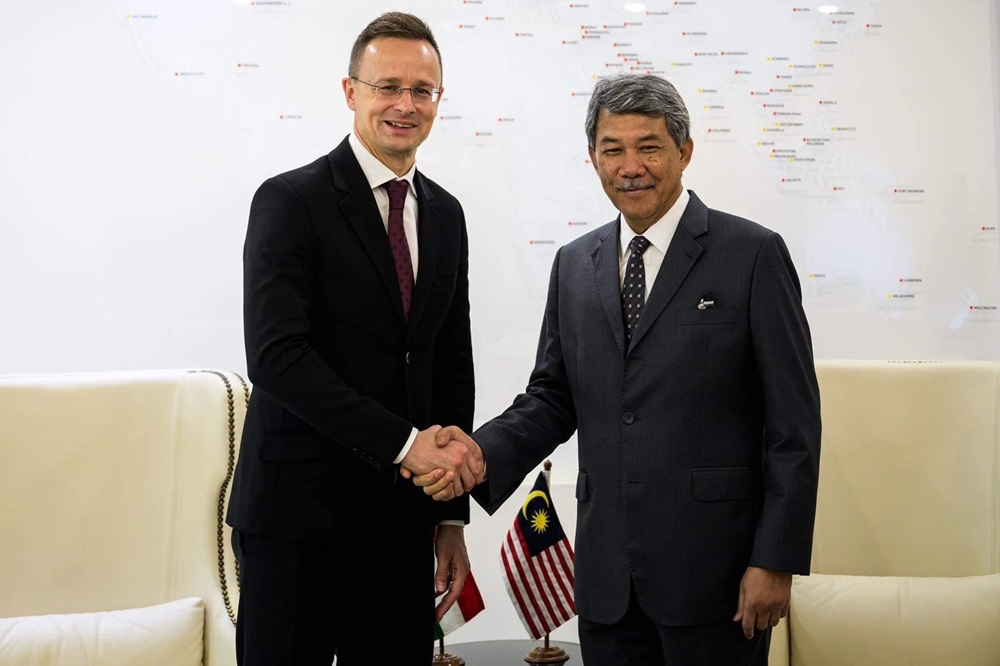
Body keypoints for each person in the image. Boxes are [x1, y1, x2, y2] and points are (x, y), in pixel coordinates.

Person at [412, 74, 821, 665]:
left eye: (649, 146)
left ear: (684, 151)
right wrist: (477, 456)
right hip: (606, 584)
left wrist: (775, 559)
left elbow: (795, 427)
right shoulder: (575, 265)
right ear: (593, 158)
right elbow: (552, 398)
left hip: (718, 582)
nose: (631, 166)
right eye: (613, 149)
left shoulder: (753, 256)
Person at [226, 12, 484, 666]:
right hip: (295, 526)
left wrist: (451, 514)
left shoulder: (447, 214)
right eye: (387, 86)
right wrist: (405, 446)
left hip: (401, 530)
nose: (405, 104)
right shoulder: (290, 201)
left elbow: (449, 366)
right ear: (351, 92)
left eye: (422, 90)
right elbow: (278, 358)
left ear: (438, 101)